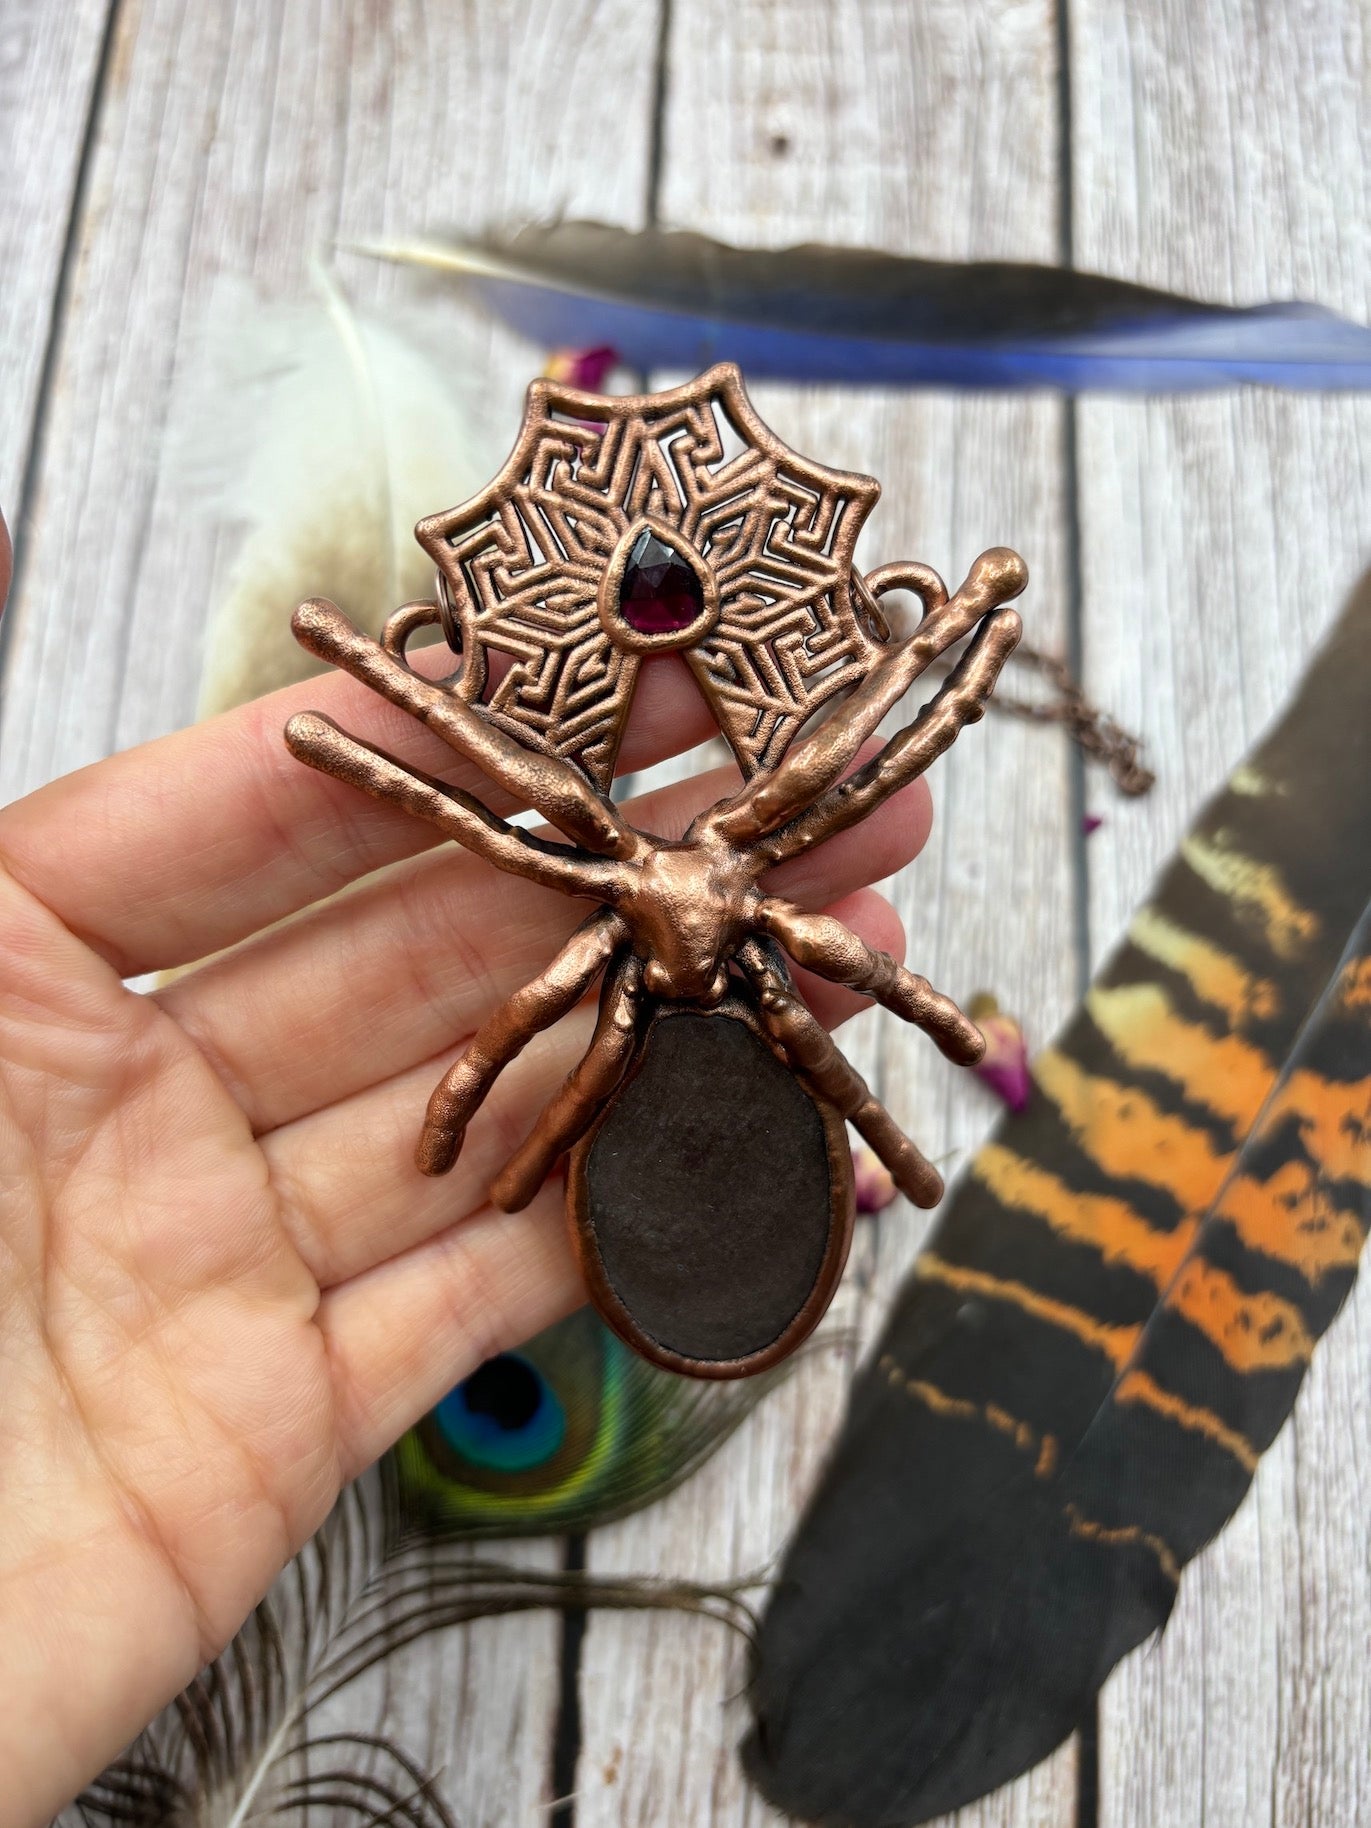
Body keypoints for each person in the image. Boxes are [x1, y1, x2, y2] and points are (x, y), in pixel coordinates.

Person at [0, 510, 932, 1821]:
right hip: (683, 1040)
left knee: (588, 1064)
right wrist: (939, 654)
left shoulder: (634, 925)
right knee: (613, 1062)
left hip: (685, 1044)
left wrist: (935, 654)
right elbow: (489, 857)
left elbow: (493, 867)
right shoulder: (696, 906)